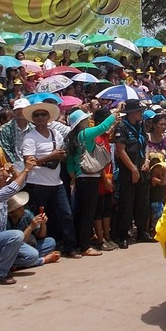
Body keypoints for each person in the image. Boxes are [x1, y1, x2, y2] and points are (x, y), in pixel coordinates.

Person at [21, 102, 80, 258]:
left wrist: (61, 156)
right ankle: (44, 248)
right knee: (42, 218)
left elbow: (62, 154)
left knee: (66, 214)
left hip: (56, 182)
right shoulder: (29, 137)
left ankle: (70, 247)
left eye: (43, 114)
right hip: (38, 184)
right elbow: (28, 162)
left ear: (49, 117)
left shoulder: (56, 134)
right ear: (33, 119)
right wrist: (50, 156)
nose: (40, 117)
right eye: (37, 115)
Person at [0, 159, 44, 284]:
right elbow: (10, 190)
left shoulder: (1, 194)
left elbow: (20, 185)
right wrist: (26, 169)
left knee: (32, 256)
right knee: (17, 235)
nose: (4, 173)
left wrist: (12, 170)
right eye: (1, 173)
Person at [66, 108, 119, 256]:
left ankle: (81, 243)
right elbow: (103, 127)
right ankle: (85, 246)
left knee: (83, 212)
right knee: (88, 214)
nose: (87, 121)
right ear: (80, 122)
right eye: (85, 119)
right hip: (89, 178)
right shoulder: (84, 134)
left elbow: (70, 162)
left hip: (81, 177)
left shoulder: (73, 137)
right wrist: (115, 113)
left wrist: (74, 176)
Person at [113, 99, 152, 249]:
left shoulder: (140, 125)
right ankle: (123, 234)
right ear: (131, 113)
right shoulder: (122, 127)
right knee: (126, 203)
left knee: (143, 201)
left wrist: (147, 160)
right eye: (138, 111)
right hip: (128, 171)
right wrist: (133, 169)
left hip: (142, 168)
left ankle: (142, 232)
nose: (141, 114)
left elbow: (145, 144)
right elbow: (121, 150)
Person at [5, 191, 60, 263]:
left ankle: (24, 261)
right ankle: (39, 260)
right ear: (11, 213)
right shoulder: (6, 222)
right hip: (16, 249)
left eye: (22, 206)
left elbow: (41, 235)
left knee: (50, 242)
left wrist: (43, 224)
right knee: (18, 253)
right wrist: (30, 227)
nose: (22, 209)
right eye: (18, 208)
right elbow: (17, 243)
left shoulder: (27, 214)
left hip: (30, 246)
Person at [0, 97, 32, 172]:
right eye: (18, 109)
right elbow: (6, 150)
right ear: (14, 111)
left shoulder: (33, 128)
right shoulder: (5, 128)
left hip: (31, 166)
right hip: (13, 168)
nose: (20, 111)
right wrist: (18, 167)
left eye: (23, 109)